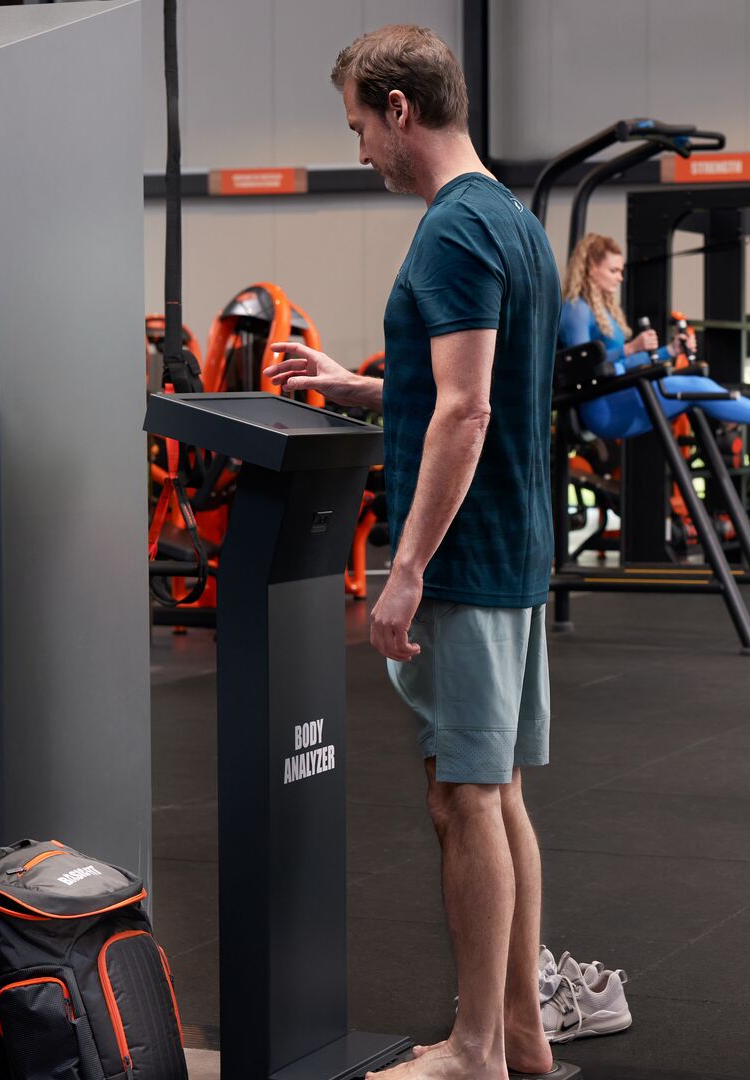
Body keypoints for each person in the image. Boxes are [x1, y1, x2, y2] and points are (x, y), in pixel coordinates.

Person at [264, 26, 559, 1080]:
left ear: (399, 109)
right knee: (499, 790)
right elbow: (458, 386)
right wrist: (353, 386)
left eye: (358, 125)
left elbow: (467, 415)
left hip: (469, 564)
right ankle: (522, 1035)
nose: (359, 151)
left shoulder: (453, 231)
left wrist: (403, 568)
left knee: (465, 798)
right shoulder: (514, 223)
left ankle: (474, 1048)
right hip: (514, 554)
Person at [558, 233, 750, 451]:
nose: (620, 277)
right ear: (592, 268)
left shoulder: (604, 311)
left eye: (621, 270)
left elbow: (621, 364)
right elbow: (580, 369)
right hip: (601, 409)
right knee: (696, 387)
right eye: (613, 270)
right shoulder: (576, 309)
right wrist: (630, 348)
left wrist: (669, 350)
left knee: (700, 388)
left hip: (618, 394)